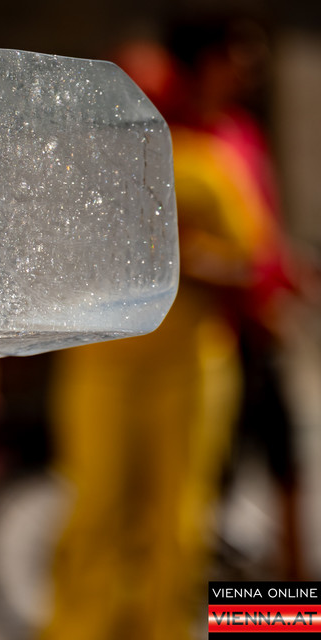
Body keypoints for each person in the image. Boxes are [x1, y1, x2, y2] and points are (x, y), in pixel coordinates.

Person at [41, 20, 281, 640]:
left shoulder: (216, 153)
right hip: (110, 364)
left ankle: (259, 619)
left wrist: (188, 257)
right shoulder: (86, 161)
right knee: (100, 512)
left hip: (201, 360)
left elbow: (256, 260)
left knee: (192, 516)